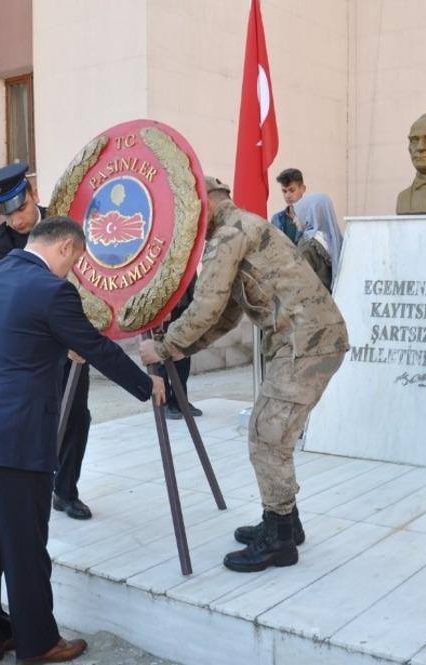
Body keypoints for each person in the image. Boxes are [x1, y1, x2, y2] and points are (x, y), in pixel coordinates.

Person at [0, 217, 165, 663]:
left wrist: (57, 344)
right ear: (65, 247)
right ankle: (38, 641)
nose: (72, 270)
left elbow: (10, 341)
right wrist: (147, 386)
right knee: (24, 542)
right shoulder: (52, 290)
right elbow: (98, 347)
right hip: (15, 438)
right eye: (76, 260)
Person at [139, 176, 348, 574]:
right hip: (305, 341)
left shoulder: (228, 235)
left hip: (306, 343)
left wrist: (165, 347)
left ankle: (280, 540)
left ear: (207, 205)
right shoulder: (242, 228)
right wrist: (180, 346)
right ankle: (285, 521)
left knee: (268, 437)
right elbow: (227, 314)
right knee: (271, 433)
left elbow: (204, 308)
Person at [0, 162, 96, 520]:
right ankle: (36, 483)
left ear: (34, 195)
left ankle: (66, 490)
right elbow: (22, 302)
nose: (16, 221)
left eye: (21, 208)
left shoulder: (67, 221)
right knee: (35, 416)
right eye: (5, 214)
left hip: (77, 339)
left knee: (76, 415)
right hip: (36, 349)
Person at [162, 281, 203, 421]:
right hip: (163, 309)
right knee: (162, 358)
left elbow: (192, 276)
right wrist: (161, 307)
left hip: (184, 308)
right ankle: (165, 403)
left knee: (184, 358)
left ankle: (181, 400)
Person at [291, 193, 345, 293]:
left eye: (298, 215)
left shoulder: (307, 244)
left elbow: (299, 281)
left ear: (309, 214)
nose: (294, 220)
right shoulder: (337, 241)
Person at [270, 168, 305, 243]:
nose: (288, 196)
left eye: (292, 190)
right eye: (284, 191)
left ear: (302, 189)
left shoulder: (312, 219)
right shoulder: (276, 219)